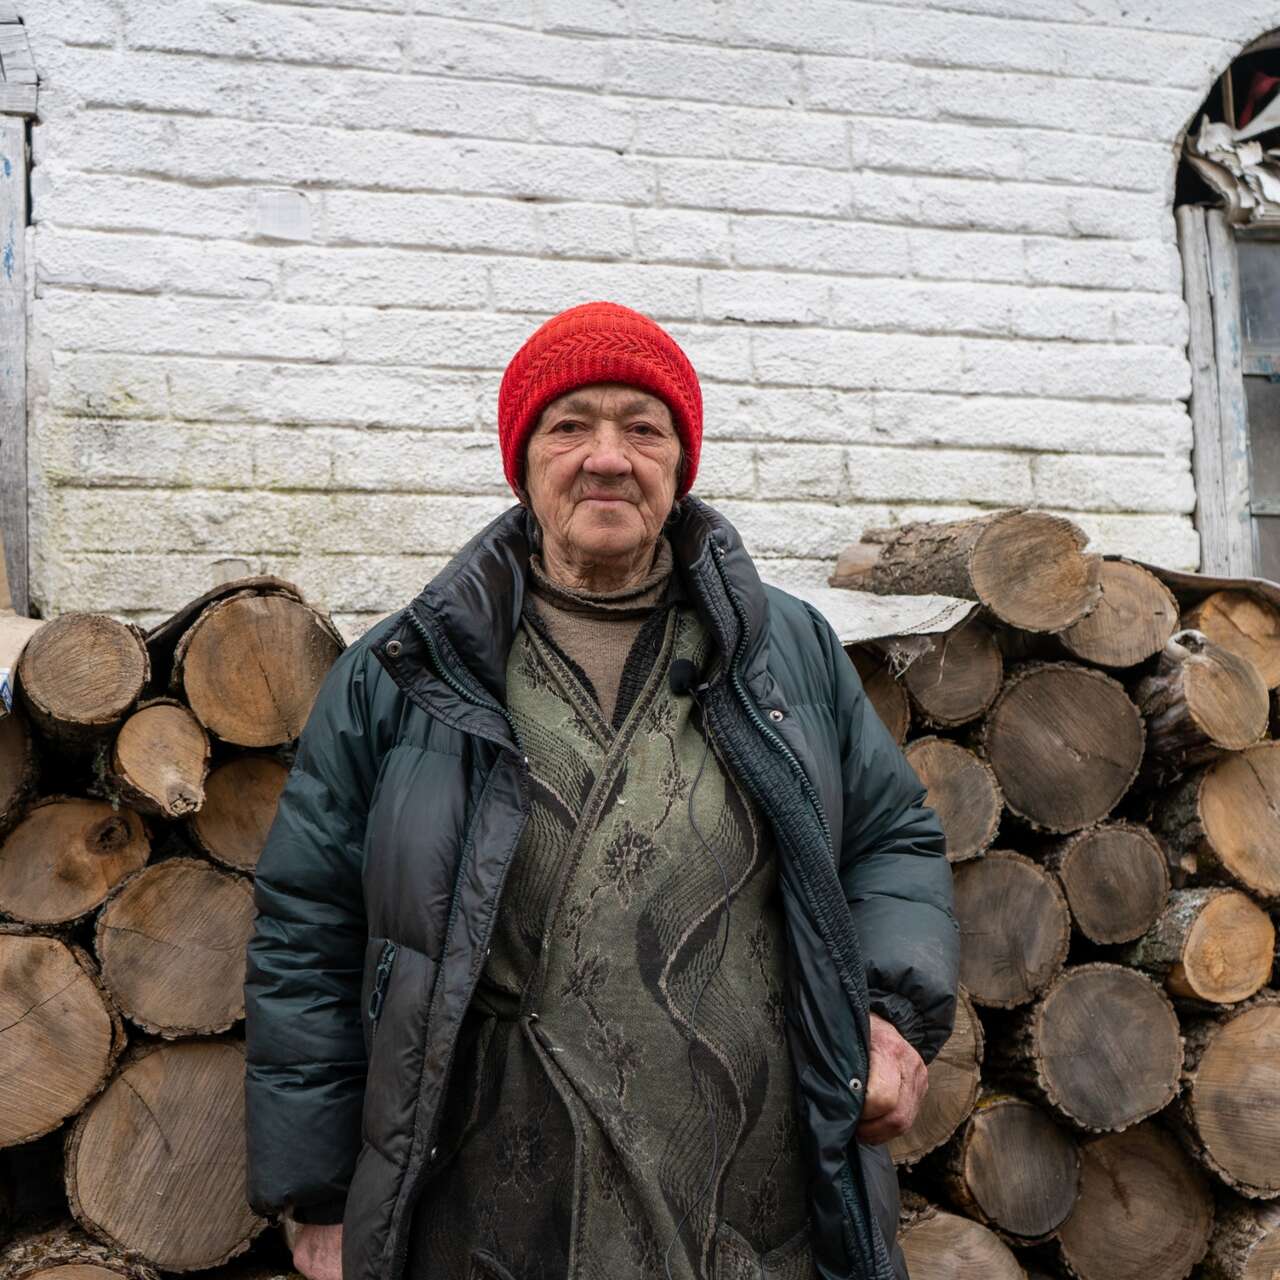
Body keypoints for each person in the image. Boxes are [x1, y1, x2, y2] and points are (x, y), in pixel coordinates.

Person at [245, 301, 959, 1280]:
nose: (607, 456)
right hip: (485, 1199)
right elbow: (308, 923)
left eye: (641, 426)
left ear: (679, 459)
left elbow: (889, 840)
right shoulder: (404, 671)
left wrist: (884, 1010)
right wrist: (321, 1190)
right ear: (523, 457)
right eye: (570, 424)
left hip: (755, 1196)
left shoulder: (782, 651)